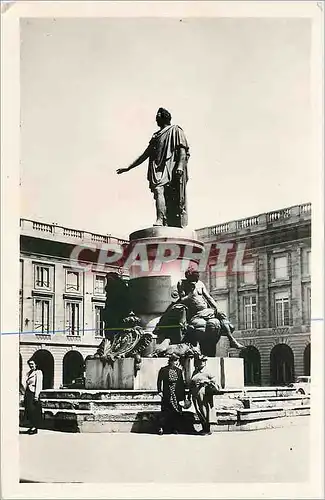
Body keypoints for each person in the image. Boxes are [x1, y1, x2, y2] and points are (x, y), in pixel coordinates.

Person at [117, 108, 190, 228]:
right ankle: (161, 219)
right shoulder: (156, 136)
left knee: (169, 195)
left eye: (158, 116)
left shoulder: (176, 130)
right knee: (158, 190)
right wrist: (128, 168)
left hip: (171, 167)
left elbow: (182, 150)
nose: (156, 119)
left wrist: (180, 166)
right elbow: (145, 155)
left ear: (164, 117)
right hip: (158, 169)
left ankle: (163, 219)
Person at [178, 269, 243, 350]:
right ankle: (231, 340)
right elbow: (182, 300)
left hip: (206, 311)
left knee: (221, 314)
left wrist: (216, 308)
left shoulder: (200, 284)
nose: (197, 279)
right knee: (209, 323)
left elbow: (208, 298)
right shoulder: (182, 284)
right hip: (196, 313)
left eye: (198, 277)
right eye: (195, 277)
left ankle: (232, 340)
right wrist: (190, 295)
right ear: (189, 277)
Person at [156, 353, 186, 434]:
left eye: (177, 361)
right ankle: (161, 427)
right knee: (165, 411)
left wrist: (183, 397)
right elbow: (159, 381)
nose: (176, 362)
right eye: (174, 361)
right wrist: (159, 391)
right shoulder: (163, 370)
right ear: (170, 361)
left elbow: (181, 384)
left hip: (177, 393)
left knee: (176, 411)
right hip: (167, 392)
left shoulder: (179, 371)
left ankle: (175, 428)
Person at [190, 355, 219, 435]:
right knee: (198, 410)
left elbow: (214, 381)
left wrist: (205, 382)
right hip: (195, 393)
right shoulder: (195, 372)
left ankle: (207, 429)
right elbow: (192, 382)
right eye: (199, 361)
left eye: (203, 361)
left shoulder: (207, 371)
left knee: (204, 410)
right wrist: (189, 394)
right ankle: (204, 427)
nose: (201, 363)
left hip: (204, 393)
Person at [23, 358, 43, 434]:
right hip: (28, 393)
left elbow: (39, 384)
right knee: (28, 410)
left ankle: (35, 427)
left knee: (33, 410)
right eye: (30, 364)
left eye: (32, 364)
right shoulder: (29, 373)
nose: (31, 365)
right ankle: (31, 426)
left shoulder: (38, 372)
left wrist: (36, 396)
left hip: (33, 393)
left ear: (36, 364)